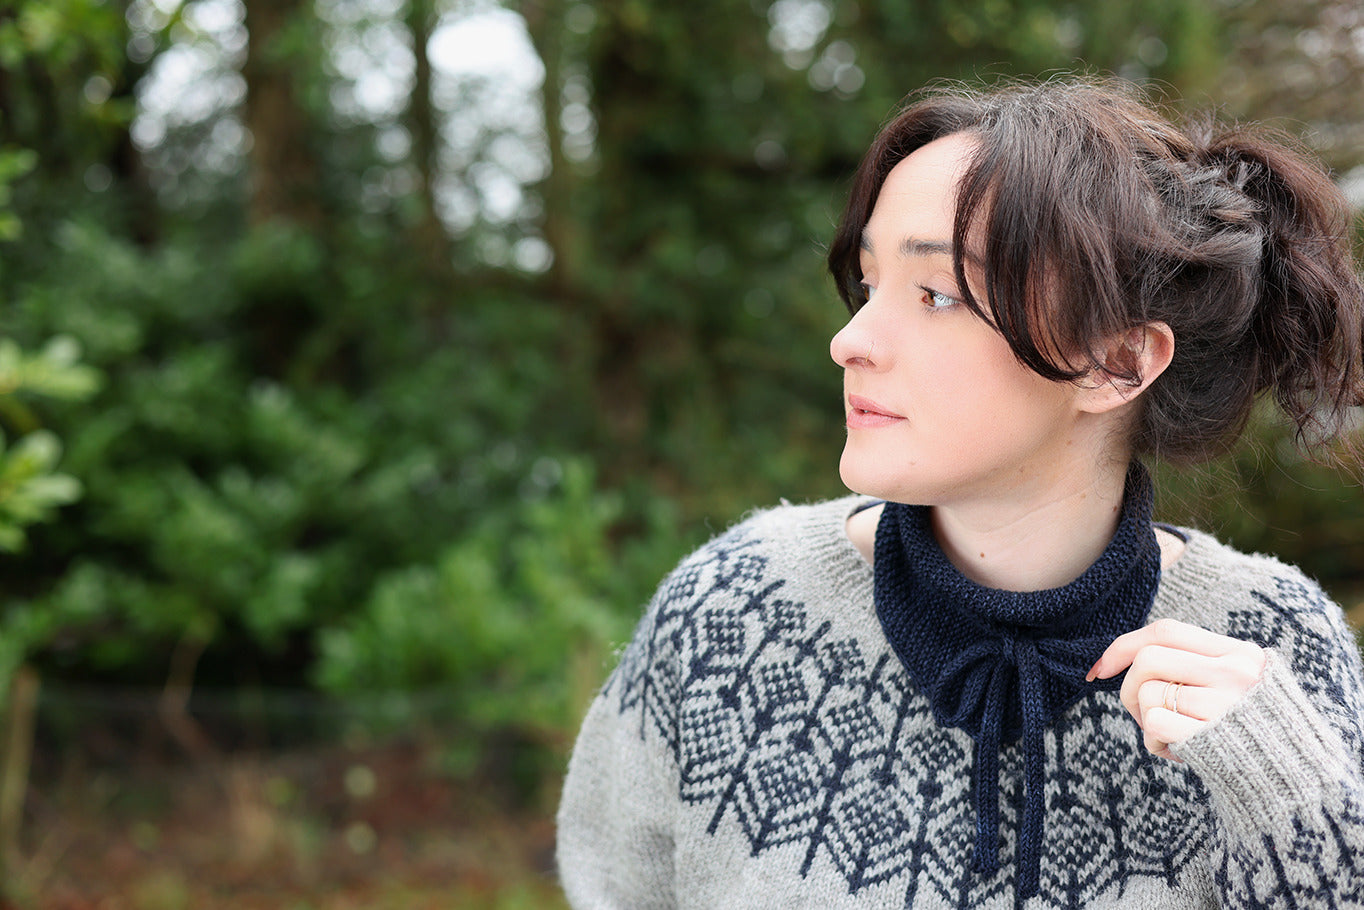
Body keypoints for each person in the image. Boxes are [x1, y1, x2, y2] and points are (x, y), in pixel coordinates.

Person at [555, 77, 1364, 908]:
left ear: (1117, 362)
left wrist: (1286, 787)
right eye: (869, 284)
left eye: (937, 294)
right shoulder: (733, 612)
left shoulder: (1275, 650)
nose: (850, 340)